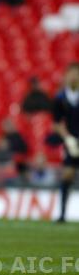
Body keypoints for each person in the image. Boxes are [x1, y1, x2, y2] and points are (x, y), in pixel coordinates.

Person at [52, 62, 79, 223]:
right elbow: (56, 123)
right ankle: (62, 214)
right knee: (67, 174)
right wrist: (68, 138)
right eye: (72, 73)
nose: (74, 77)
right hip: (72, 142)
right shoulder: (60, 98)